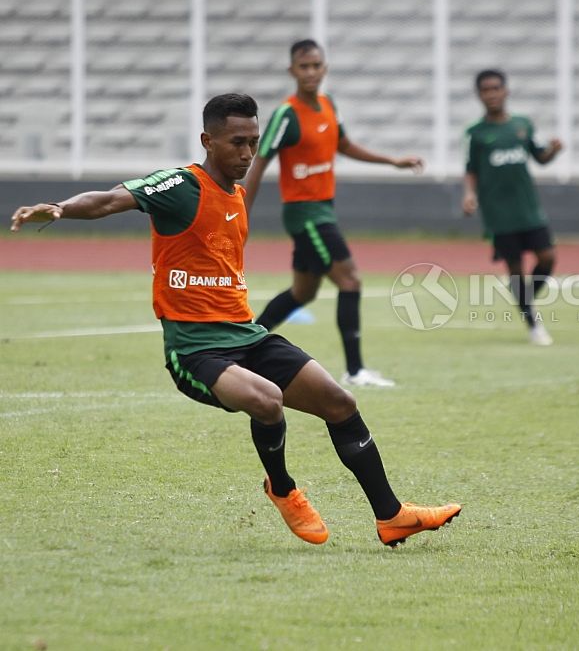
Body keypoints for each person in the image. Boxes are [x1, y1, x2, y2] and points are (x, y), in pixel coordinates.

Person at [10, 93, 460, 547]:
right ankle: (283, 490)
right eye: (236, 142)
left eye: (253, 142)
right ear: (208, 140)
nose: (247, 152)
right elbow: (109, 200)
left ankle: (392, 516)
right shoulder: (180, 185)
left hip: (247, 335)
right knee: (267, 401)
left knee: (340, 402)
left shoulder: (239, 196)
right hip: (194, 349)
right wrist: (62, 208)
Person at [244, 39, 424, 388]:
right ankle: (355, 370)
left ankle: (246, 344)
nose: (310, 72)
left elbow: (343, 144)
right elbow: (261, 157)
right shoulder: (287, 113)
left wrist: (392, 160)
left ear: (324, 68)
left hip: (323, 209)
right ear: (292, 71)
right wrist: (240, 210)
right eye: (303, 66)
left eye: (316, 65)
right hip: (306, 214)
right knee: (350, 280)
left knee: (303, 293)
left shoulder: (328, 105)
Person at [461, 68, 563, 346]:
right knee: (515, 268)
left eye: (496, 88)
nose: (491, 94)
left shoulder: (522, 125)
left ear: (505, 91)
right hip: (498, 213)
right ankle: (533, 325)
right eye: (486, 90)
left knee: (548, 257)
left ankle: (526, 299)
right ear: (479, 95)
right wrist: (469, 194)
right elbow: (471, 170)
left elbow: (539, 156)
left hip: (528, 208)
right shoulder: (476, 134)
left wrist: (553, 151)